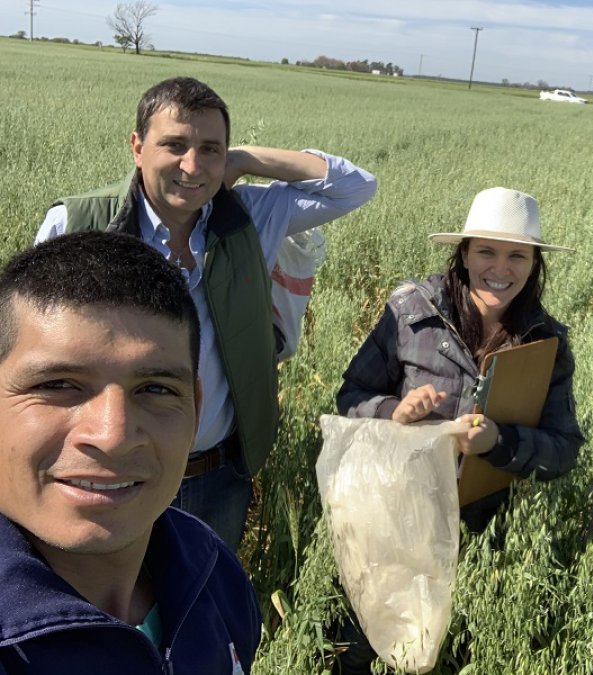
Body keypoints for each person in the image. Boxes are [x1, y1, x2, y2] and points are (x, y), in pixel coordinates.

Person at [36, 76, 378, 550]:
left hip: (213, 477)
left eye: (209, 149)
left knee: (202, 610)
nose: (192, 166)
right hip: (108, 475)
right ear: (137, 147)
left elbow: (355, 187)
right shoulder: (76, 225)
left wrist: (243, 159)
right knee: (108, 612)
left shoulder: (251, 216)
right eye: (174, 145)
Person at [333, 187, 584, 672]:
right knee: (366, 645)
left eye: (517, 255)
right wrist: (395, 413)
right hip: (394, 524)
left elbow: (564, 450)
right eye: (486, 251)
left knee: (454, 654)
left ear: (534, 264)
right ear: (464, 254)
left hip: (485, 537)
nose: (500, 267)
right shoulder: (410, 312)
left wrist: (499, 443)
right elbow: (351, 397)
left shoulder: (546, 340)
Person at [0, 232, 261, 674]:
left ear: (196, 410)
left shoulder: (210, 570)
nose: (113, 435)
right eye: (57, 385)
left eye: (155, 389)